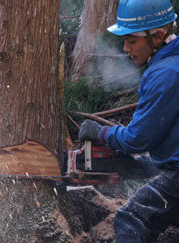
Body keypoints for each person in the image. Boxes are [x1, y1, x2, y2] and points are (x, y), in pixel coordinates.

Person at [78, 0, 179, 242]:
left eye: (132, 40)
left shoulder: (165, 73)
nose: (125, 48)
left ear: (157, 36)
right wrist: (143, 166)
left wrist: (100, 132)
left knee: (133, 219)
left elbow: (137, 139)